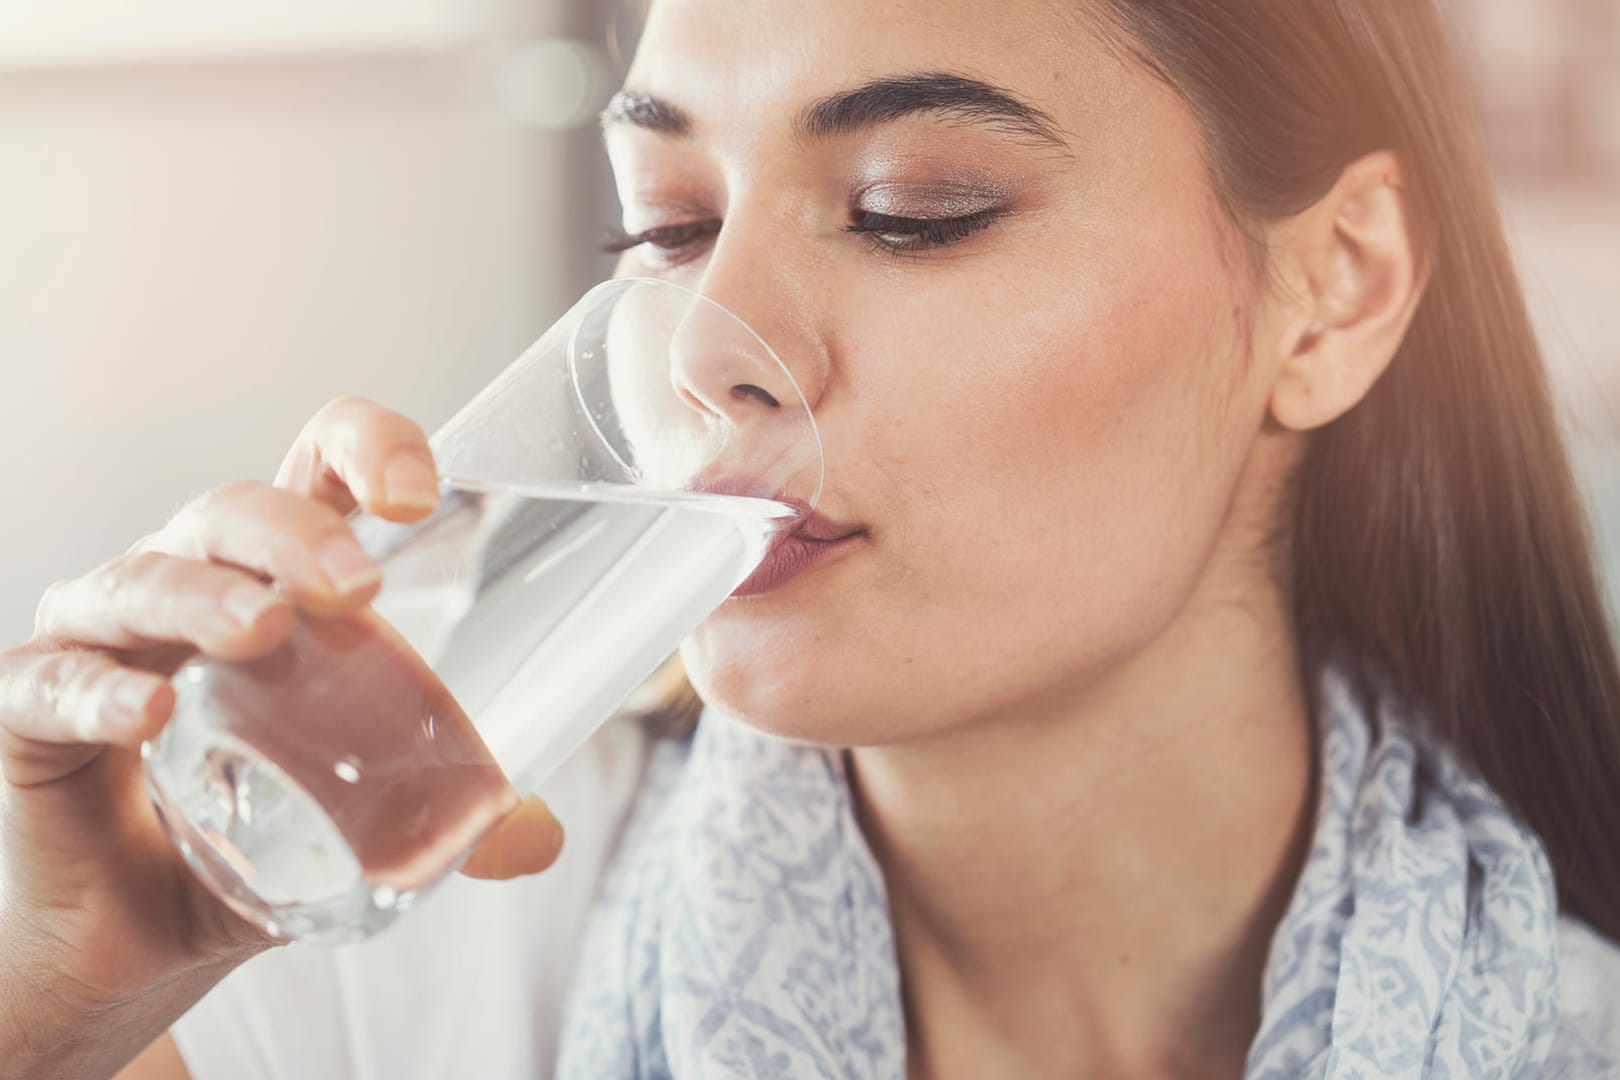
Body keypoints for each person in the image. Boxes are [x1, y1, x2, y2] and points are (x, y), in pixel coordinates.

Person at [4, 0, 1620, 1076]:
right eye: (671, 227)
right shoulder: (374, 966)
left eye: (914, 207)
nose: (710, 341)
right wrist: (56, 991)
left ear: (1331, 288)